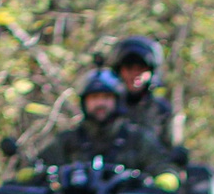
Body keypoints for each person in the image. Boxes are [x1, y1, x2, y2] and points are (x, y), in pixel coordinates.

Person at [35, 70, 179, 186]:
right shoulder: (68, 140)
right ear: (84, 102)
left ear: (117, 101)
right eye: (94, 97)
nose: (100, 103)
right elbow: (39, 168)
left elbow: (162, 167)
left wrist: (164, 180)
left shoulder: (137, 139)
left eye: (106, 97)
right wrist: (31, 173)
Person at [109, 37, 177, 146]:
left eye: (141, 69)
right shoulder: (108, 107)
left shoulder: (160, 110)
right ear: (119, 70)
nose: (135, 75)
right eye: (129, 68)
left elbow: (169, 146)